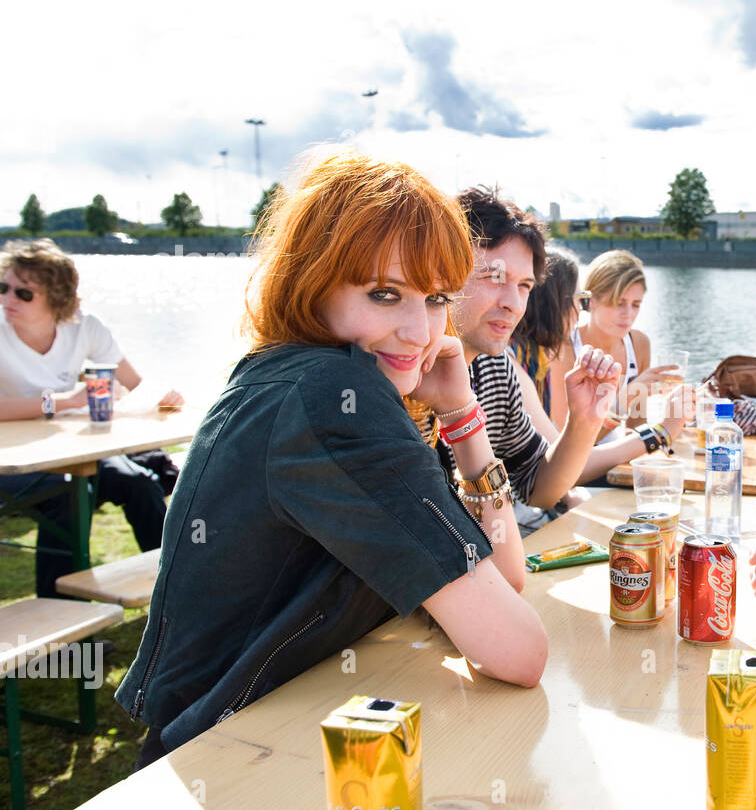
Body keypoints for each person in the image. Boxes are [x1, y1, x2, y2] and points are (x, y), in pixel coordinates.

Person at [116, 153, 547, 768]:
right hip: (222, 758)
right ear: (311, 285)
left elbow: (506, 576)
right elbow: (520, 649)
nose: (419, 332)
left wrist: (460, 413)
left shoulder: (295, 375)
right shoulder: (335, 397)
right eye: (384, 294)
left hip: (256, 737)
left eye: (434, 299)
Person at [445, 188, 692, 515]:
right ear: (444, 274)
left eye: (524, 286)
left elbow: (536, 488)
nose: (514, 303)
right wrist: (659, 432)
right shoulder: (403, 372)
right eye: (494, 277)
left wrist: (584, 422)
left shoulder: (496, 367)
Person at [0, 238, 183, 596]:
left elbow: (135, 385)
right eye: (3, 287)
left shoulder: (85, 327)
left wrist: (163, 398)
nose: (8, 299)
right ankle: (60, 621)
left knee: (141, 484)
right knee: (68, 492)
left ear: (57, 297)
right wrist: (62, 401)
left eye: (24, 294)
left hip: (69, 451)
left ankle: (179, 591)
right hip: (12, 461)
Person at [572, 249, 680, 439]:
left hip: (616, 462)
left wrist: (674, 417)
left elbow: (635, 429)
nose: (628, 314)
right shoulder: (567, 348)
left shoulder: (639, 344)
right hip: (580, 466)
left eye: (636, 304)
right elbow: (568, 448)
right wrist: (626, 397)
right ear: (591, 300)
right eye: (619, 303)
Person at [509, 245, 586, 430]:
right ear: (553, 302)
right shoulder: (513, 360)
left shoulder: (536, 357)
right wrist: (659, 432)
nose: (581, 309)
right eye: (579, 298)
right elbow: (552, 451)